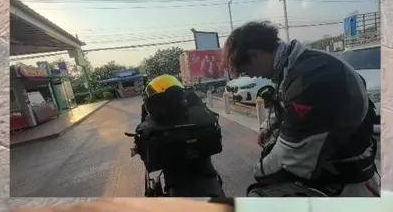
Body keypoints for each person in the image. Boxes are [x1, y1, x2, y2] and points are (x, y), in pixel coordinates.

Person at [223, 20, 380, 197]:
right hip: (330, 172)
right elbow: (285, 101)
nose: (252, 76)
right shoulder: (295, 63)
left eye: (246, 71)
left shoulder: (311, 79)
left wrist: (258, 170)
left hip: (346, 187)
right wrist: (268, 126)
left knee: (258, 195)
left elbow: (290, 159)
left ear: (255, 54)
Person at [134, 74, 225, 197]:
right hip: (206, 173)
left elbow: (143, 139)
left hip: (176, 180)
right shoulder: (197, 114)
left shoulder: (154, 126)